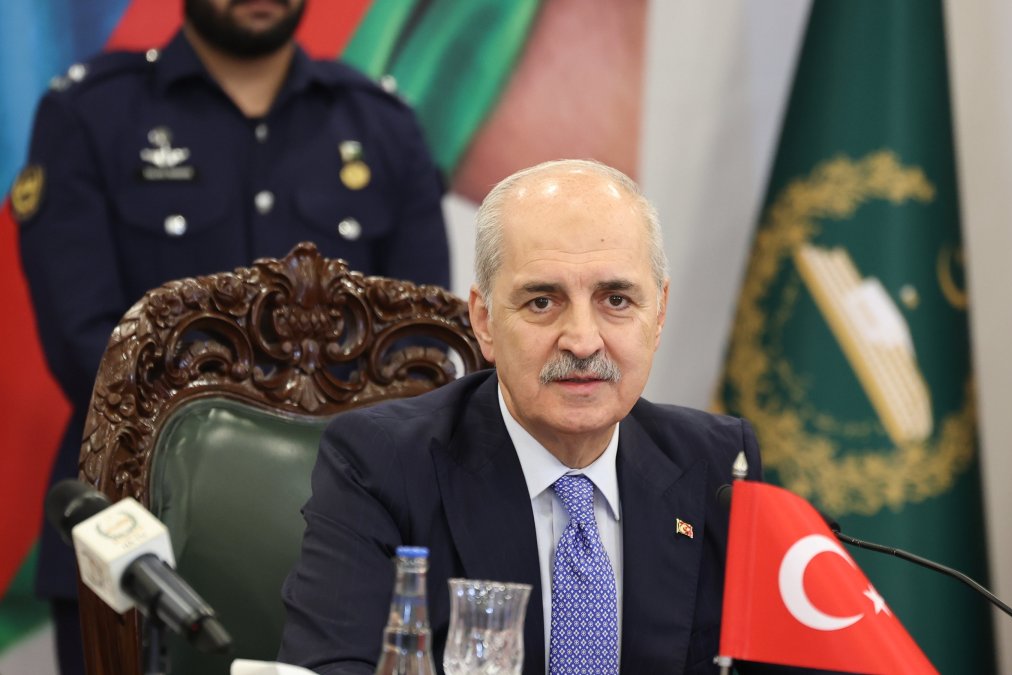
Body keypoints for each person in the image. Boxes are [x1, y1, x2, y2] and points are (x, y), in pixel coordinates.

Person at [13, 1, 449, 672]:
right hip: (140, 536)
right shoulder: (90, 113)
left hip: (354, 544)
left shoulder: (381, 124)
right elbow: (87, 349)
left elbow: (419, 355)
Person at [279, 160, 814, 674]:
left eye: (616, 300)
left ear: (659, 314)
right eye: (542, 302)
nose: (582, 341)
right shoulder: (382, 463)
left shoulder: (718, 466)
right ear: (485, 321)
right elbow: (330, 666)